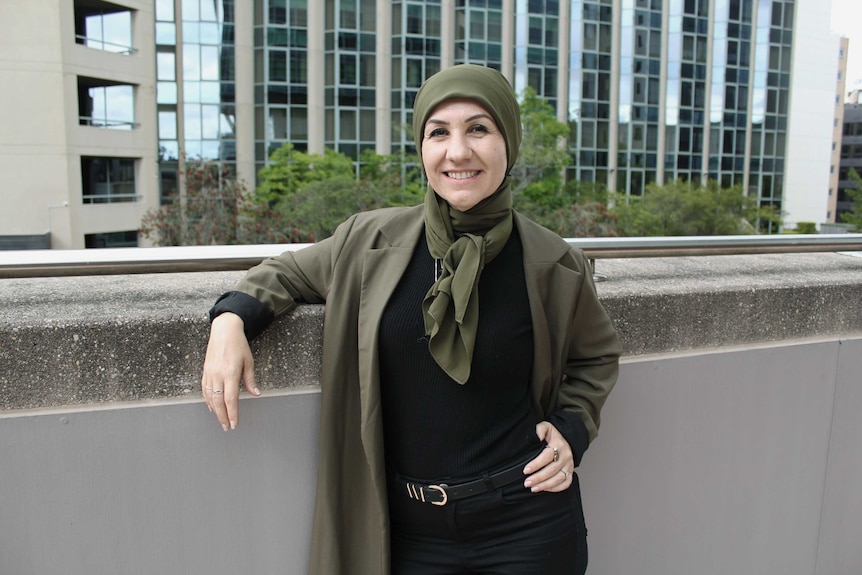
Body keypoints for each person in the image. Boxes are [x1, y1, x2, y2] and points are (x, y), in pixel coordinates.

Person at [201, 64, 621, 575]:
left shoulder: (553, 263)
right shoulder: (369, 242)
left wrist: (572, 430)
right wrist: (229, 322)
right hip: (409, 532)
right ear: (422, 149)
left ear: (508, 142)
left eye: (479, 129)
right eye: (438, 132)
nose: (458, 151)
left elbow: (595, 355)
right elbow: (286, 274)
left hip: (526, 524)